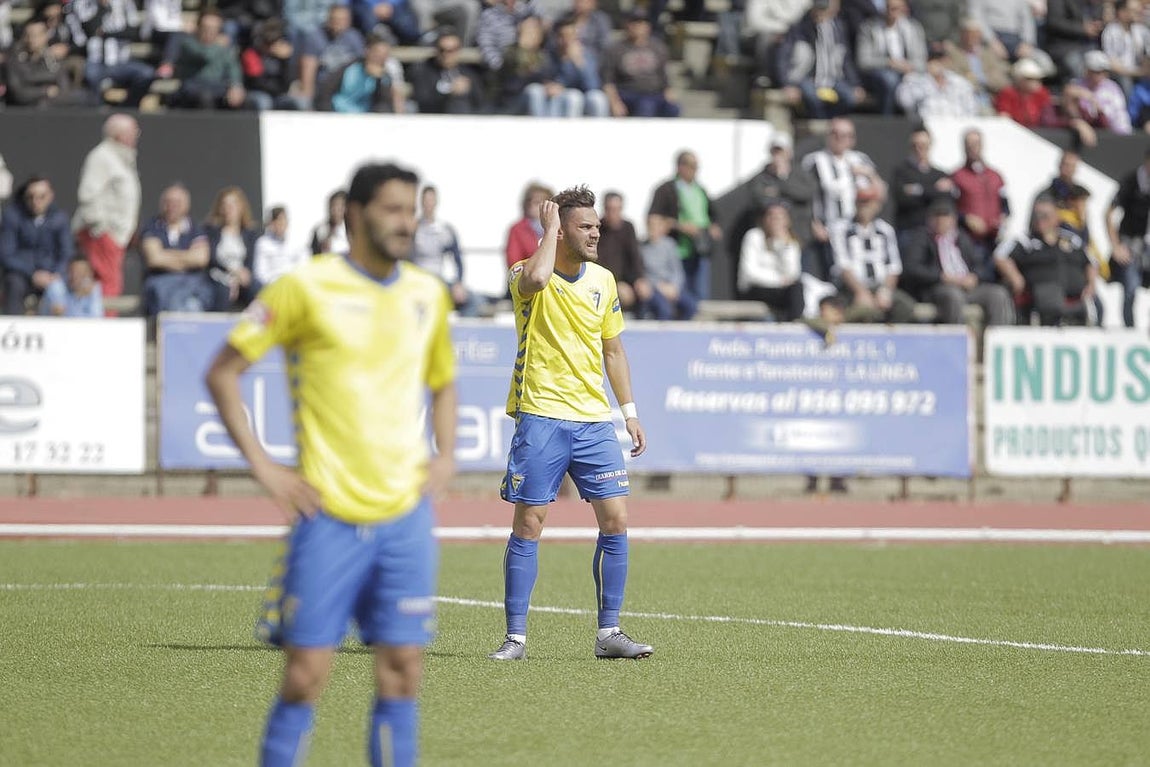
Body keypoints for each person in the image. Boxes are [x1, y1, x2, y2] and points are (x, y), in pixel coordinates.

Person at [204, 161, 457, 767]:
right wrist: (264, 466)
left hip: (406, 519)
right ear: (354, 213)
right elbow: (223, 371)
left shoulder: (428, 293)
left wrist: (445, 457)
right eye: (392, 209)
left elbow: (443, 383)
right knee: (306, 675)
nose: (406, 222)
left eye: (410, 210)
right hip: (329, 517)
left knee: (402, 671)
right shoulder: (304, 287)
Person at [489, 185, 652, 662]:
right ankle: (515, 637)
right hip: (541, 414)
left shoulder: (603, 280)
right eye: (584, 226)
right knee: (530, 522)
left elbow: (613, 351)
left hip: (594, 421)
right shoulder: (526, 270)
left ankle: (609, 633)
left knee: (617, 519)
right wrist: (549, 230)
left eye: (596, 225)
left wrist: (630, 414)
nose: (596, 232)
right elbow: (537, 279)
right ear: (561, 230)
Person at [898, 197, 1014, 326]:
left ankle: (995, 339)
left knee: (997, 294)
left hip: (967, 287)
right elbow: (912, 268)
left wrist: (974, 277)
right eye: (937, 216)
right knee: (953, 296)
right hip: (938, 287)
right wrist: (941, 277)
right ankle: (958, 340)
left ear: (953, 219)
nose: (941, 221)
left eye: (945, 216)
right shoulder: (920, 238)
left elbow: (980, 264)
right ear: (930, 219)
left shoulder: (963, 239)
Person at [73, 113, 141, 310]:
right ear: (118, 135)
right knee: (108, 284)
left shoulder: (122, 159)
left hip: (114, 236)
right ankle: (104, 330)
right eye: (132, 132)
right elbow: (88, 194)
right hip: (100, 236)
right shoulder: (102, 157)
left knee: (107, 284)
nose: (136, 136)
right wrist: (102, 230)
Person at [995, 195, 1093, 326]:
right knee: (1050, 296)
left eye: (1045, 216)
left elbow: (1091, 262)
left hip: (1076, 299)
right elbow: (1000, 255)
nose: (1040, 220)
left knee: (1095, 306)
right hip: (1041, 299)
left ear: (1056, 217)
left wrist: (1091, 284)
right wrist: (1015, 277)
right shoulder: (1025, 240)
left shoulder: (1071, 239)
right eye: (1037, 216)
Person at [647, 150, 723, 301]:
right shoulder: (666, 190)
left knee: (700, 293)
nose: (695, 170)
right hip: (677, 250)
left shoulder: (700, 189)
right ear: (680, 166)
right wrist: (680, 227)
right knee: (681, 292)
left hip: (700, 249)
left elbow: (712, 214)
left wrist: (713, 227)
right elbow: (655, 218)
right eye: (691, 166)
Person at [0, 176, 74, 315]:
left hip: (51, 274)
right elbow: (6, 254)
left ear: (51, 196)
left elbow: (66, 252)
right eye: (31, 197)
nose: (36, 201)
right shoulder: (13, 216)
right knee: (13, 283)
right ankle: (13, 329)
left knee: (59, 288)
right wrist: (32, 274)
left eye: (42, 196)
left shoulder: (59, 218)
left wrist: (55, 274)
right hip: (22, 275)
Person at [139, 183, 214, 315]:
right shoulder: (152, 227)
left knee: (194, 301)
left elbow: (201, 259)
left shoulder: (196, 229)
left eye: (177, 202)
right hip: (161, 281)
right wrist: (187, 258)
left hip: (193, 283)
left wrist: (166, 254)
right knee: (179, 303)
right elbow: (154, 259)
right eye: (168, 202)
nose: (172, 206)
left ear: (186, 205)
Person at [412, 185, 480, 316]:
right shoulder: (413, 228)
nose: (428, 204)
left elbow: (457, 260)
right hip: (417, 280)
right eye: (426, 200)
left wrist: (458, 283)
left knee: (474, 300)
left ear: (436, 202)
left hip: (438, 280)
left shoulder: (444, 230)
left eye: (431, 200)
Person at [737, 200, 805, 321]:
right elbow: (750, 273)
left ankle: (793, 326)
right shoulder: (754, 236)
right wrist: (778, 280)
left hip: (778, 290)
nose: (775, 220)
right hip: (755, 289)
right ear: (764, 219)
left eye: (779, 217)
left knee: (797, 290)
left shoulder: (790, 243)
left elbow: (793, 274)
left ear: (787, 221)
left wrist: (781, 243)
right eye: (771, 216)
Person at [1106, 148, 1150, 328]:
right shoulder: (1131, 181)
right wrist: (1116, 245)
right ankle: (1129, 329)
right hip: (1130, 242)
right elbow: (1108, 213)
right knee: (1130, 287)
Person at [596, 190, 654, 318]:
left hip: (628, 281)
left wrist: (640, 279)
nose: (613, 214)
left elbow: (635, 256)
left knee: (652, 298)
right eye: (610, 209)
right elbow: (597, 263)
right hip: (605, 283)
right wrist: (616, 284)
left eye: (617, 209)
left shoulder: (628, 227)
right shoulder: (596, 229)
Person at [204, 186, 261, 312]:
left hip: (242, 276)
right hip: (218, 275)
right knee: (222, 292)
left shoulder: (249, 233)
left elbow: (250, 261)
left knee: (258, 289)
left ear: (241, 207)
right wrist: (232, 273)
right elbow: (211, 259)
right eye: (225, 205)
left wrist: (240, 276)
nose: (229, 209)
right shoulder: (211, 231)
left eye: (233, 204)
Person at [641, 213, 698, 320]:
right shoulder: (642, 248)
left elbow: (677, 270)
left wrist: (674, 287)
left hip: (671, 287)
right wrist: (659, 286)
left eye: (657, 225)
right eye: (651, 225)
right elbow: (643, 274)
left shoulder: (670, 245)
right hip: (654, 289)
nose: (653, 229)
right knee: (664, 310)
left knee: (691, 306)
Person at [253, 206, 307, 287]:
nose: (280, 224)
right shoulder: (263, 243)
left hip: (294, 284)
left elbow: (304, 264)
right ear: (271, 224)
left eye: (283, 220)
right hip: (272, 286)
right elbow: (260, 273)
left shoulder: (297, 241)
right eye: (277, 221)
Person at [505, 181, 552, 270]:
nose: (533, 206)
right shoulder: (517, 229)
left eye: (538, 202)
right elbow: (513, 262)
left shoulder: (558, 228)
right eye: (530, 201)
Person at [40, 256, 104, 317]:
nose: (76, 276)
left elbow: (96, 318)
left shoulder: (93, 289)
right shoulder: (56, 287)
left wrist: (82, 297)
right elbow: (60, 317)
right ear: (67, 271)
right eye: (73, 271)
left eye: (81, 272)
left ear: (89, 274)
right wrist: (78, 295)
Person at [310, 190, 349, 255]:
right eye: (333, 206)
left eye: (339, 207)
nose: (335, 211)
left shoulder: (353, 230)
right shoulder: (320, 230)